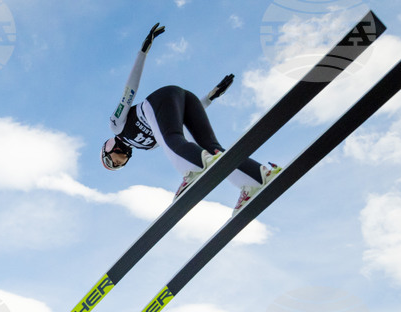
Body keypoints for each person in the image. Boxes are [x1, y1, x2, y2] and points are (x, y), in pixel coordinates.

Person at [100, 23, 281, 212]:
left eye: (111, 161)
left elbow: (129, 92)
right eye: (118, 166)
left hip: (161, 98)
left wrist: (143, 52)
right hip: (187, 100)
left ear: (107, 149)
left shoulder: (117, 126)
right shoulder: (149, 146)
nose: (118, 163)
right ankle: (258, 178)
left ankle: (193, 169)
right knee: (212, 148)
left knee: (172, 141)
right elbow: (178, 118)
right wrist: (210, 97)